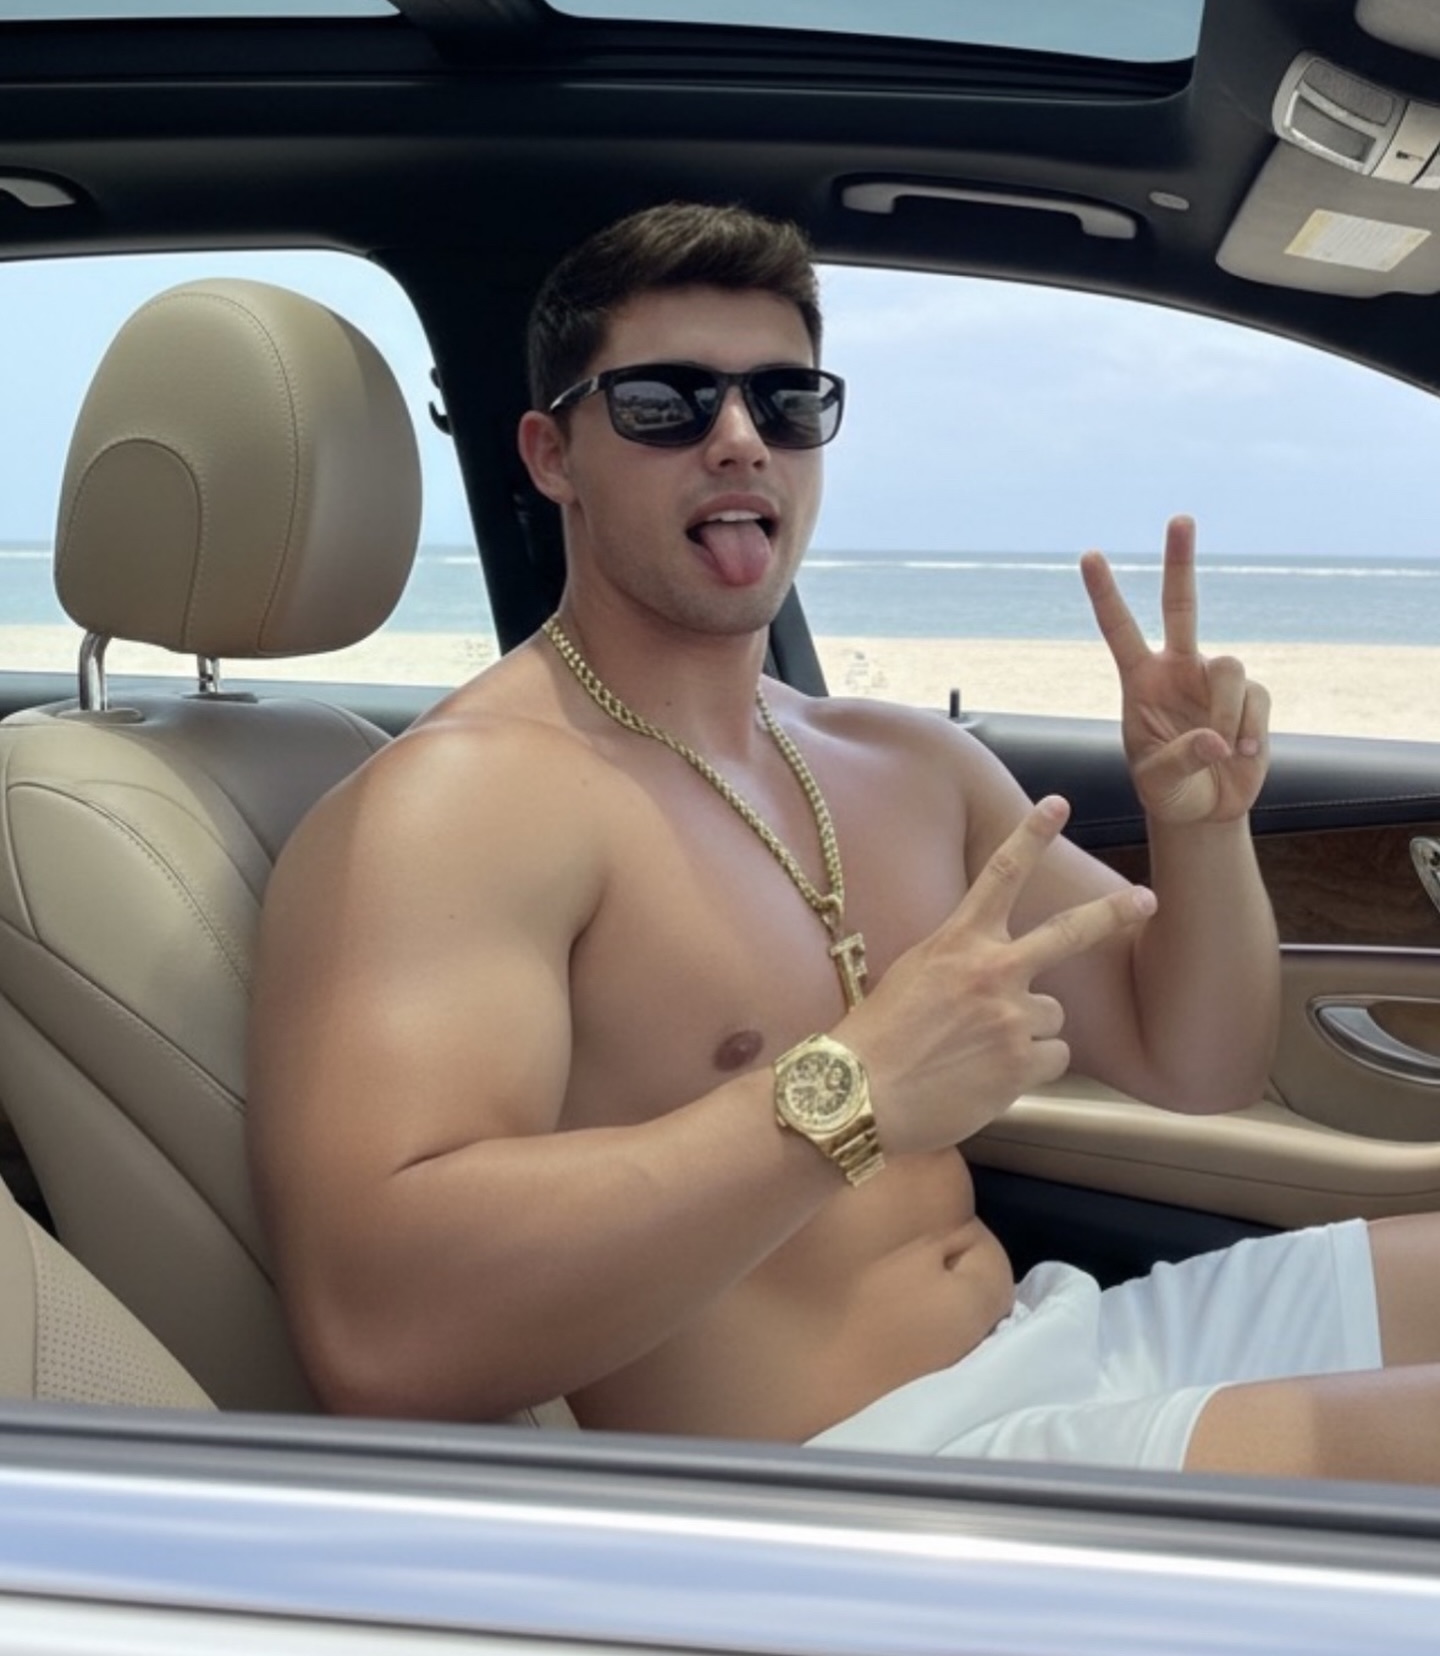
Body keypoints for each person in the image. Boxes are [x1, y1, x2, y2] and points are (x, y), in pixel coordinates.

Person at [248, 202, 1440, 1481]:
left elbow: (1198, 1061)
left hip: (1054, 1337)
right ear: (553, 455)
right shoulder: (463, 804)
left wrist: (1200, 830)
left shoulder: (904, 762)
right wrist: (849, 1090)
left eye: (786, 402)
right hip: (871, 1473)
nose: (738, 438)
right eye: (664, 403)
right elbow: (383, 1333)